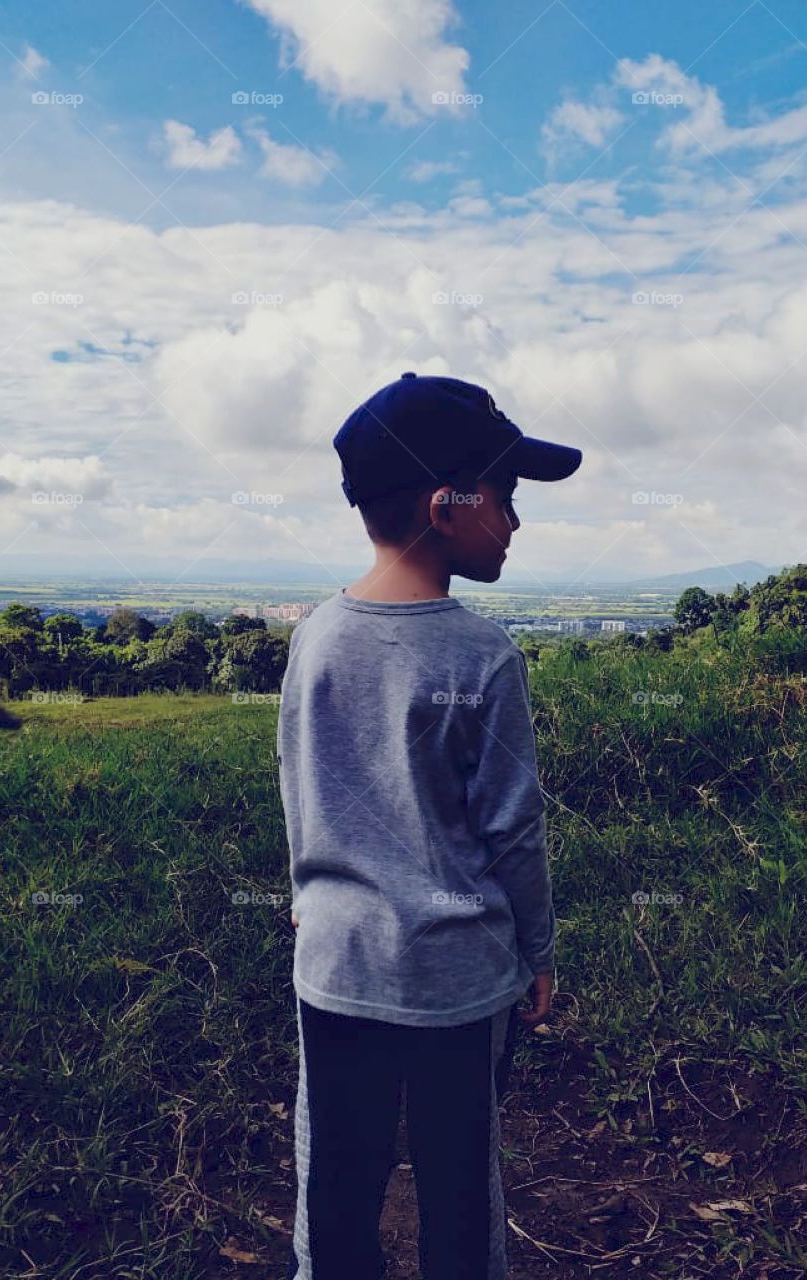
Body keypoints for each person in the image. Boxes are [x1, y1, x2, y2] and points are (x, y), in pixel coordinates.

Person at [277, 371, 582, 1280]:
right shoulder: (484, 655)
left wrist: (308, 893)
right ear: (448, 505)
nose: (517, 521)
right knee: (459, 1179)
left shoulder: (315, 637)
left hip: (334, 963)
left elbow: (300, 777)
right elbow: (513, 829)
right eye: (508, 496)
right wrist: (538, 950)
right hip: (458, 979)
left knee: (336, 1170)